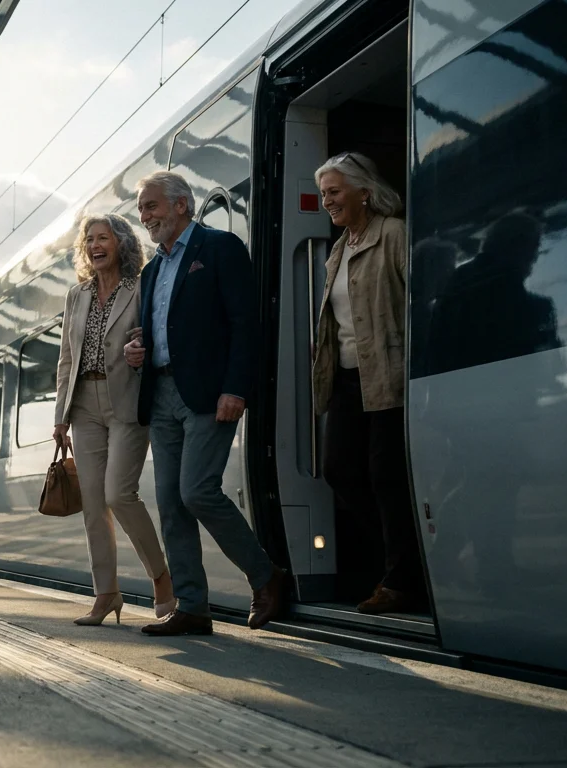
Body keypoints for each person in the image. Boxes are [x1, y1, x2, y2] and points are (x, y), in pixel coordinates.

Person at [124, 170, 284, 636]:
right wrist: (139, 349)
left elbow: (244, 323)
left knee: (197, 491)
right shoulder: (151, 269)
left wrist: (237, 387)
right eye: (141, 209)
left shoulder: (219, 248)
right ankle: (192, 606)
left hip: (209, 393)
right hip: (162, 393)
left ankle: (265, 575)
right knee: (171, 503)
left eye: (151, 206)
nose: (144, 216)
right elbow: (162, 330)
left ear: (181, 205)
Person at [311, 152, 423, 615]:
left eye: (334, 192)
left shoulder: (394, 235)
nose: (327, 202)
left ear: (364, 191)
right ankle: (404, 565)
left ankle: (401, 579)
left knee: (386, 477)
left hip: (389, 375)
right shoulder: (339, 249)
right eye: (323, 195)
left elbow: (418, 302)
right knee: (339, 469)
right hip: (348, 379)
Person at [53, 213, 176, 625]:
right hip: (83, 403)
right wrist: (59, 418)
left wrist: (140, 348)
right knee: (92, 503)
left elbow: (153, 334)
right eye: (88, 240)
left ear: (121, 243)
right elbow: (66, 359)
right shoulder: (77, 295)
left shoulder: (140, 287)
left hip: (126, 398)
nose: (94, 245)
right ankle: (105, 594)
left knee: (118, 495)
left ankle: (161, 578)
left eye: (102, 238)